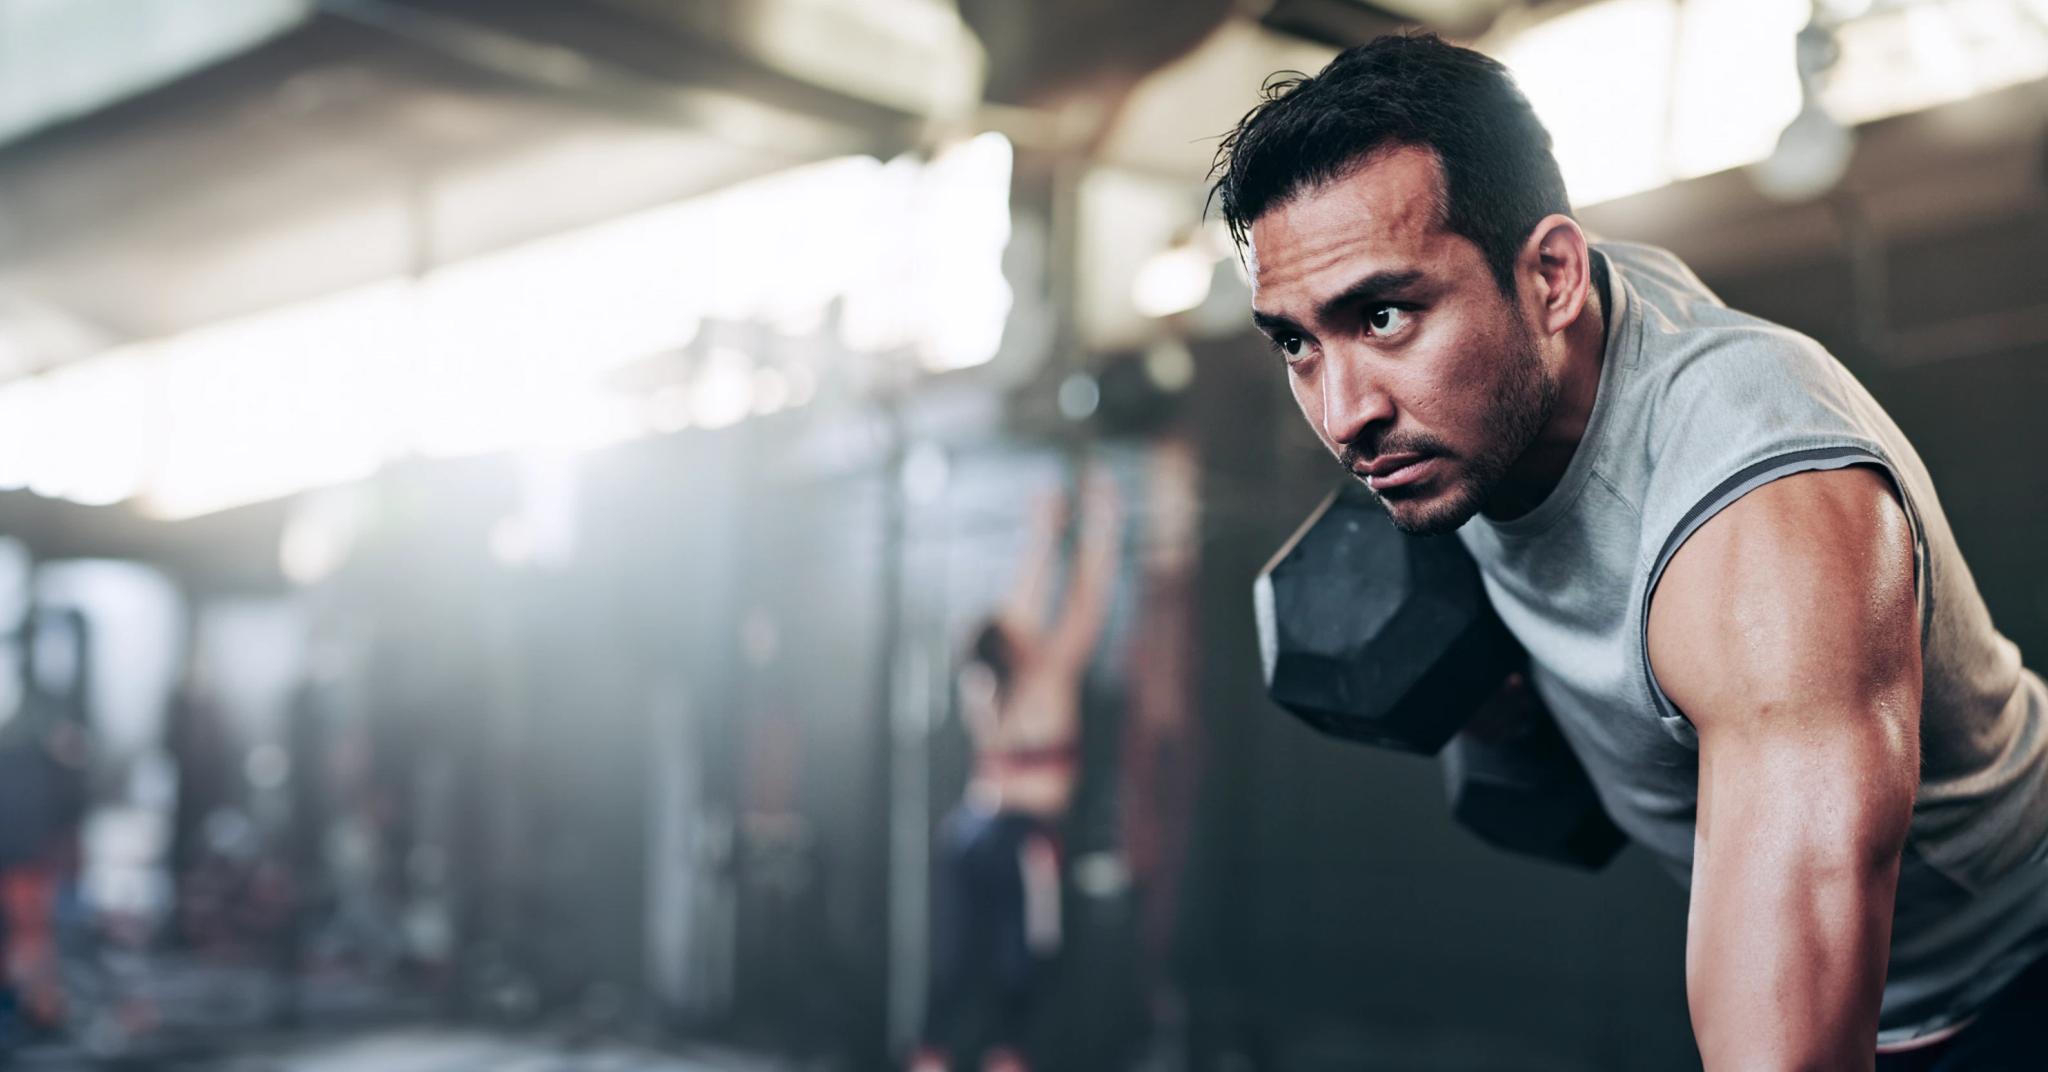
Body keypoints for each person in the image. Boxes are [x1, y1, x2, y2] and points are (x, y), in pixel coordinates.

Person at [1210, 32, 2048, 1069]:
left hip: (2010, 978)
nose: (1342, 417)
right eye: (1295, 340)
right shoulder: (1487, 388)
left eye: (1382, 314)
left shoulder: (1763, 519)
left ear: (1551, 276)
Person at [913, 474, 1123, 1072]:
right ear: (1013, 646)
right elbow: (1087, 604)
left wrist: (1044, 532)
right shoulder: (1045, 680)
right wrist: (1102, 525)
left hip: (970, 830)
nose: (1026, 624)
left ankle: (933, 1056)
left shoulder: (983, 683)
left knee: (957, 957)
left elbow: (1021, 604)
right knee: (1024, 957)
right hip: (1017, 838)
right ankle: (1000, 1059)